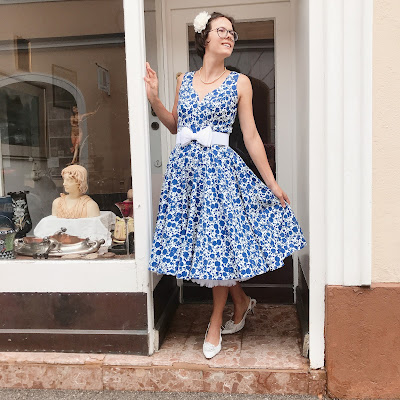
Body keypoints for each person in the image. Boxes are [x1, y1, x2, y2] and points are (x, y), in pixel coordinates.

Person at [144, 11, 306, 359]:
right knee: (209, 247)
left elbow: (250, 136)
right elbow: (175, 125)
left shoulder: (240, 83)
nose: (229, 36)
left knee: (218, 248)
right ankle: (242, 301)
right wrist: (154, 98)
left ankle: (215, 320)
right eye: (222, 31)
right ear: (204, 37)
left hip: (219, 174)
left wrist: (272, 183)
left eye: (232, 32)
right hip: (185, 176)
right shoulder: (183, 80)